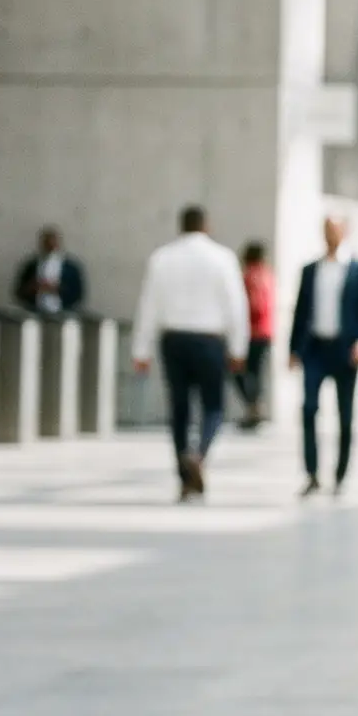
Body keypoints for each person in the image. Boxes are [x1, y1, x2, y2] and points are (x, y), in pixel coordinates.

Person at [129, 206, 249, 502]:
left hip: (174, 339)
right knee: (213, 407)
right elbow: (236, 305)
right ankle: (200, 454)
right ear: (206, 225)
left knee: (180, 409)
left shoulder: (162, 258)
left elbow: (149, 305)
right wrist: (239, 347)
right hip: (209, 339)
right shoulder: (222, 258)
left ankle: (184, 476)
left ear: (181, 225)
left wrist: (141, 349)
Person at [290, 217, 358, 496]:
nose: (331, 236)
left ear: (345, 232)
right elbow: (300, 311)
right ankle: (311, 473)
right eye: (327, 230)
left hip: (345, 351)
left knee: (345, 414)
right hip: (315, 349)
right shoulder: (310, 270)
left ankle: (340, 474)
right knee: (309, 409)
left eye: (335, 230)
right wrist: (293, 350)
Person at [233, 242, 276, 431]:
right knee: (255, 373)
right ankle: (254, 409)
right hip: (266, 331)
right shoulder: (268, 274)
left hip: (252, 332)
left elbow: (255, 305)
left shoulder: (250, 275)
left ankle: (254, 409)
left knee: (241, 371)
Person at [11, 227, 86, 314]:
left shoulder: (70, 268)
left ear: (58, 244)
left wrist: (58, 289)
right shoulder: (31, 266)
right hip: (35, 312)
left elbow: (78, 294)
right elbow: (19, 292)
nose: (50, 247)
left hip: (62, 313)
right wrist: (32, 287)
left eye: (52, 243)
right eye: (47, 243)